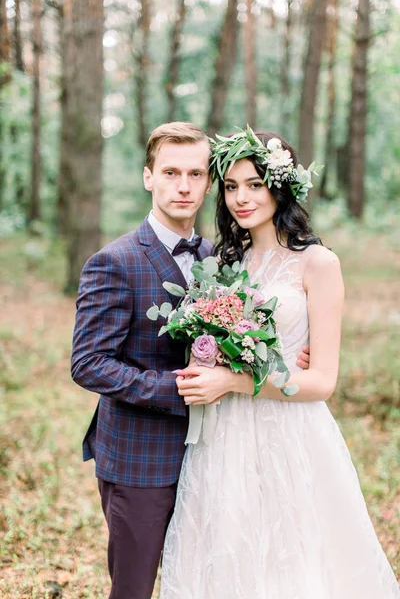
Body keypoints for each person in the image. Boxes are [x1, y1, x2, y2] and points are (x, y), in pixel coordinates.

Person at [70, 120, 312, 599]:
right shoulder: (114, 261)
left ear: (210, 182)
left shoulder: (221, 259)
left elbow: (244, 333)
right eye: (170, 172)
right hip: (141, 457)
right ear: (148, 177)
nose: (183, 186)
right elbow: (89, 362)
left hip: (220, 453)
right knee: (134, 588)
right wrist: (178, 389)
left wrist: (279, 352)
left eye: (196, 174)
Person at [160, 129, 400, 599]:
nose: (240, 198)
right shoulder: (227, 261)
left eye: (253, 184)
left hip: (291, 432)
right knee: (229, 550)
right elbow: (209, 342)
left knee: (291, 559)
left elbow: (321, 381)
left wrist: (232, 378)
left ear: (280, 184)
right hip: (225, 434)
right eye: (230, 186)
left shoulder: (319, 264)